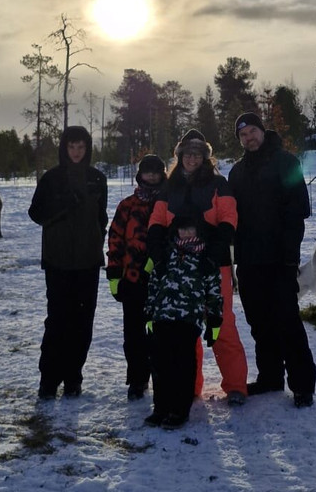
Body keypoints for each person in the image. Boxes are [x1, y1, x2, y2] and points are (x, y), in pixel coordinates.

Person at [148, 129, 249, 405]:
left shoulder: (219, 184)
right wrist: (157, 251)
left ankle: (236, 386)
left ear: (205, 157)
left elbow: (229, 219)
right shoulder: (169, 187)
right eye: (186, 154)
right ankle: (188, 385)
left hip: (214, 265)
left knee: (223, 324)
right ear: (179, 157)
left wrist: (214, 254)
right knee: (184, 328)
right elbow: (157, 221)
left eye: (197, 154)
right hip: (179, 267)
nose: (191, 158)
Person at [227, 112, 316, 408]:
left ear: (262, 132)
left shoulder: (286, 162)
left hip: (280, 259)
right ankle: (270, 376)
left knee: (287, 321)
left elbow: (298, 211)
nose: (249, 137)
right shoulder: (237, 172)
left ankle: (302, 386)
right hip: (249, 261)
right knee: (259, 323)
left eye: (252, 131)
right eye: (243, 135)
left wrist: (290, 257)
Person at [27, 125, 108, 401]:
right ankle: (49, 379)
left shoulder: (97, 179)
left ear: (88, 149)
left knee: (83, 323)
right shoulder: (51, 179)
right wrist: (63, 205)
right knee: (58, 321)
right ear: (64, 148)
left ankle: (74, 377)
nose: (76, 152)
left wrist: (97, 241)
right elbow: (36, 213)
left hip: (87, 262)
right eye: (72, 147)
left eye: (81, 147)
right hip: (58, 262)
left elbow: (101, 218)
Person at [144, 219, 223, 430]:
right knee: (160, 364)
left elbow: (214, 292)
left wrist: (215, 321)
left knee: (183, 365)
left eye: (191, 227)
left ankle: (179, 409)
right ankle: (161, 408)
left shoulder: (205, 258)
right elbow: (153, 283)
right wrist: (149, 313)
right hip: (162, 317)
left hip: (188, 321)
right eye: (183, 228)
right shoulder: (166, 254)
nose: (186, 232)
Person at [106, 153, 166, 401]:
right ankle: (138, 379)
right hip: (131, 281)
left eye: (155, 171)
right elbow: (115, 239)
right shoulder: (127, 205)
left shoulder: (167, 203)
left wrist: (154, 266)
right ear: (139, 175)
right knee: (133, 334)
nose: (151, 175)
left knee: (160, 334)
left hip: (161, 283)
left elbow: (169, 240)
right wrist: (114, 275)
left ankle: (163, 378)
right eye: (147, 171)